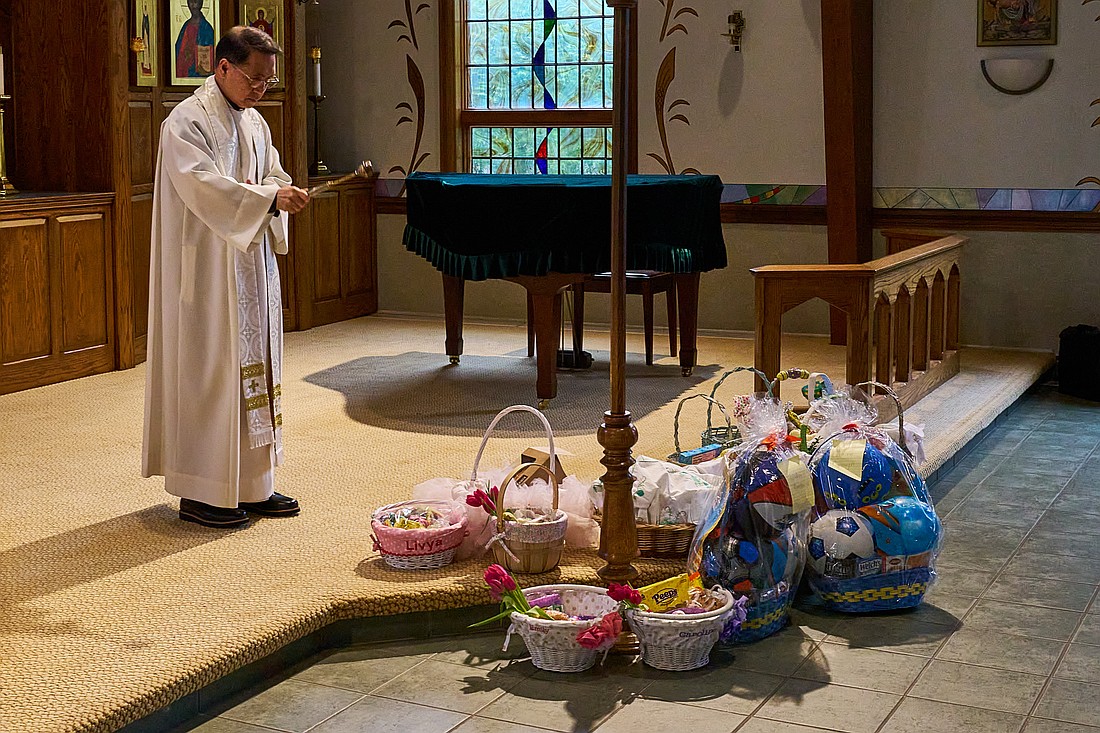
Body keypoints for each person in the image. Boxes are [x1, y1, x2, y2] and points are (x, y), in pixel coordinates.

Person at [143, 25, 310, 529]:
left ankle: (252, 483)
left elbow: (271, 175)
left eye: (268, 82)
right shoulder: (186, 122)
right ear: (223, 68)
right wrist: (266, 199)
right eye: (255, 80)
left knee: (256, 368)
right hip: (207, 274)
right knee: (211, 371)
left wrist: (285, 191)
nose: (261, 91)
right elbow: (203, 186)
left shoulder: (256, 123)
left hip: (252, 268)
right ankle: (201, 490)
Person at [175, 0, 216, 79]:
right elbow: (178, 49)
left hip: (197, 71)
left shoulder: (206, 28)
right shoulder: (186, 26)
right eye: (191, 2)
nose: (193, 6)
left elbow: (210, 51)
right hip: (184, 70)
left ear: (201, 3)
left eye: (196, 2)